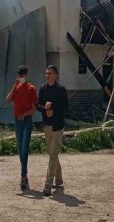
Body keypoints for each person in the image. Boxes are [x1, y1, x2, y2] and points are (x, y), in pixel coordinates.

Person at [37, 65, 68, 197]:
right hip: (47, 126)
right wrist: (45, 108)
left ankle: (48, 185)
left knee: (53, 154)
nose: (47, 75)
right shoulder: (43, 89)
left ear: (55, 75)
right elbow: (37, 105)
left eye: (49, 73)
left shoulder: (61, 90)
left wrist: (53, 110)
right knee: (51, 153)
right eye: (46, 73)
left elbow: (65, 107)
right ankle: (59, 179)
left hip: (58, 126)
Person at [6, 65, 38, 191]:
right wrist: (14, 85)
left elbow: (34, 108)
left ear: (26, 75)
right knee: (20, 148)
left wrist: (23, 115)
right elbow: (8, 99)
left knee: (25, 147)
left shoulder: (31, 88)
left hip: (26, 120)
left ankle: (23, 176)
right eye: (19, 75)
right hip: (17, 121)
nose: (20, 77)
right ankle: (24, 175)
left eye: (22, 75)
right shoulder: (17, 87)